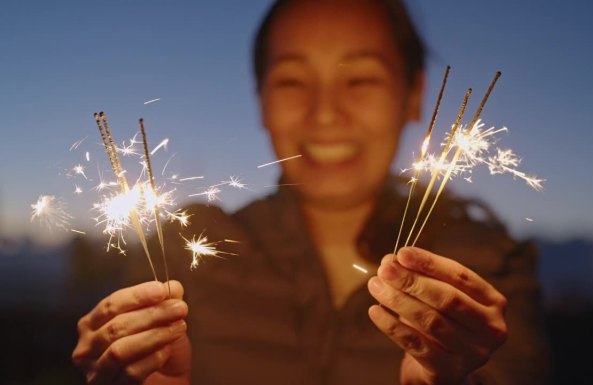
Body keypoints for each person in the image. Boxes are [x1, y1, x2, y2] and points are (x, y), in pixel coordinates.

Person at [72, 0, 551, 384]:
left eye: (360, 78)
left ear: (414, 96)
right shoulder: (181, 251)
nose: (325, 113)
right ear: (261, 100)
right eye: (293, 81)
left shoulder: (484, 271)